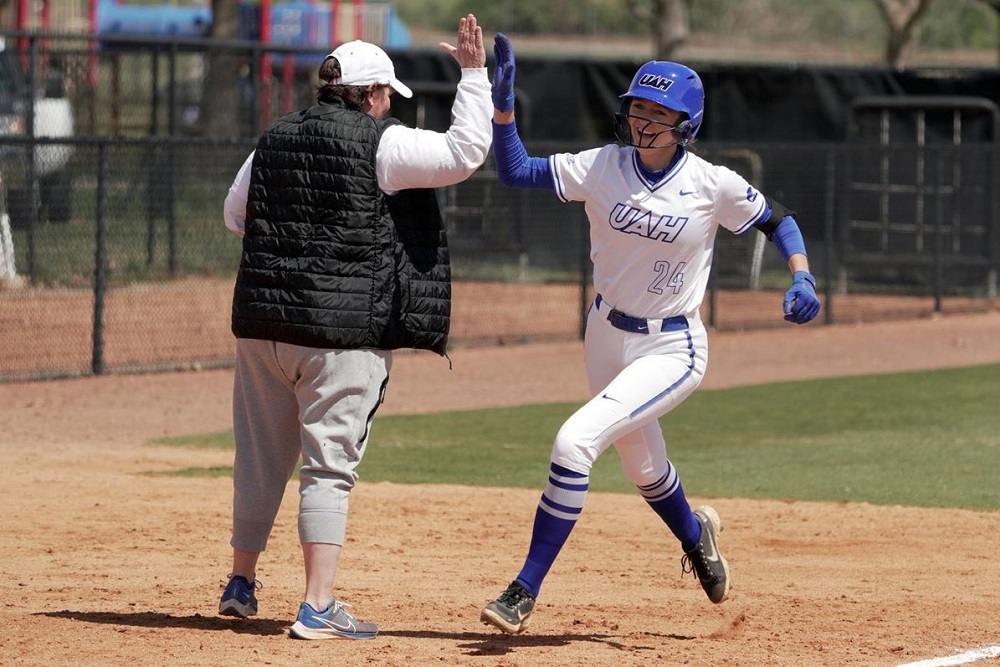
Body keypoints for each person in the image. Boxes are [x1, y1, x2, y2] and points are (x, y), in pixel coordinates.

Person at [479, 34, 821, 635]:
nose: (643, 121)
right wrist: (502, 106)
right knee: (642, 467)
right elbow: (515, 171)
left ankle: (522, 590)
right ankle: (698, 538)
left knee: (574, 441)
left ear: (687, 125)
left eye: (658, 114)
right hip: (604, 333)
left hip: (673, 346)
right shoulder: (604, 166)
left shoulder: (712, 184)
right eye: (638, 108)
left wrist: (803, 275)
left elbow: (778, 220)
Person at [218, 15, 492, 640]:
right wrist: (474, 76)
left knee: (260, 459)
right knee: (328, 467)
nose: (389, 105)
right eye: (386, 95)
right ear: (369, 95)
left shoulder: (273, 138)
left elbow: (236, 216)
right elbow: (464, 153)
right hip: (341, 337)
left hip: (264, 327)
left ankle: (241, 581)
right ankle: (316, 606)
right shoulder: (382, 143)